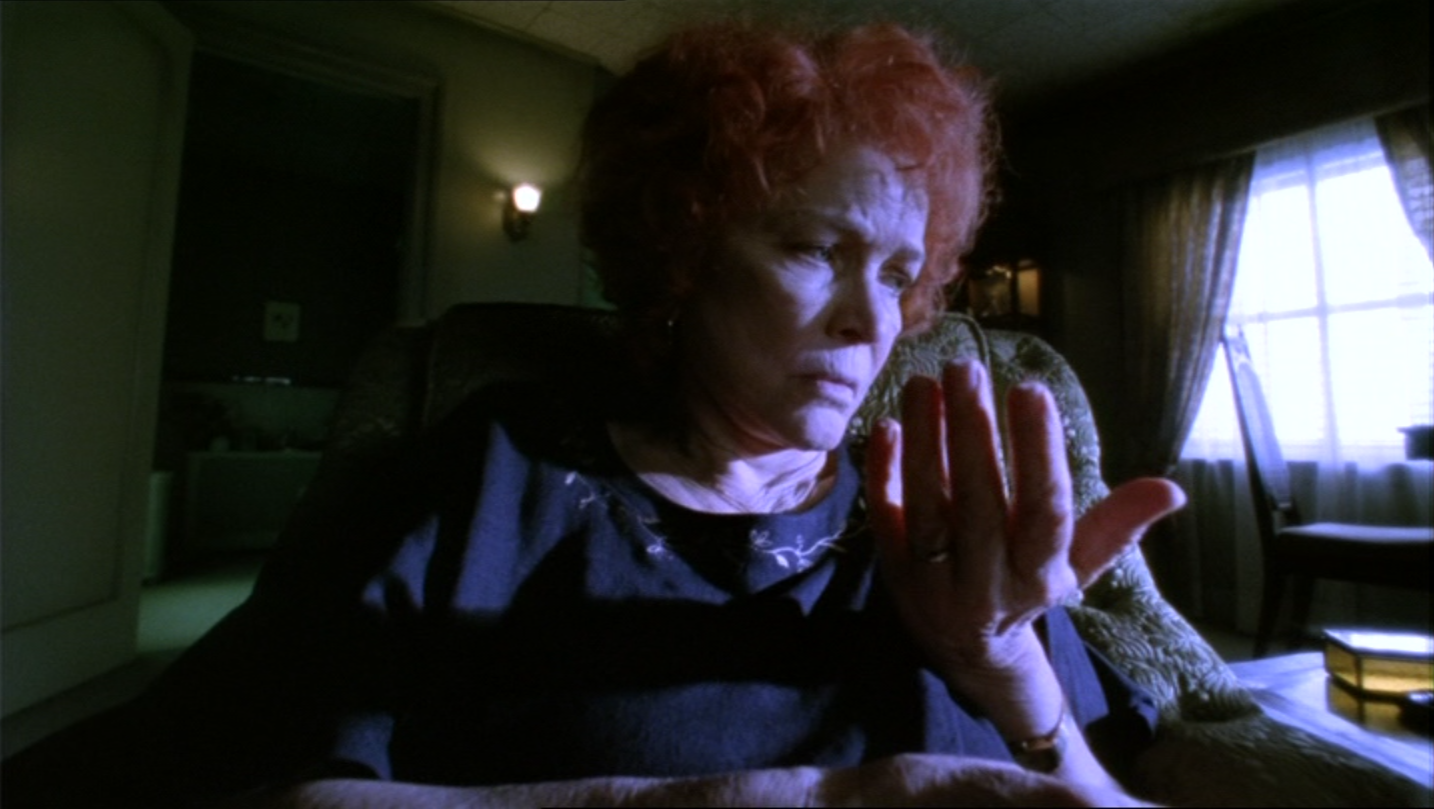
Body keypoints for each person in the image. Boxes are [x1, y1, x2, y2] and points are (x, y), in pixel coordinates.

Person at [3, 19, 1185, 808]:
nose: (868, 321)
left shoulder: (937, 514)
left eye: (898, 273)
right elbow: (249, 774)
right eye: (814, 249)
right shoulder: (495, 475)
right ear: (685, 255)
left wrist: (1007, 672)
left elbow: (1108, 795)